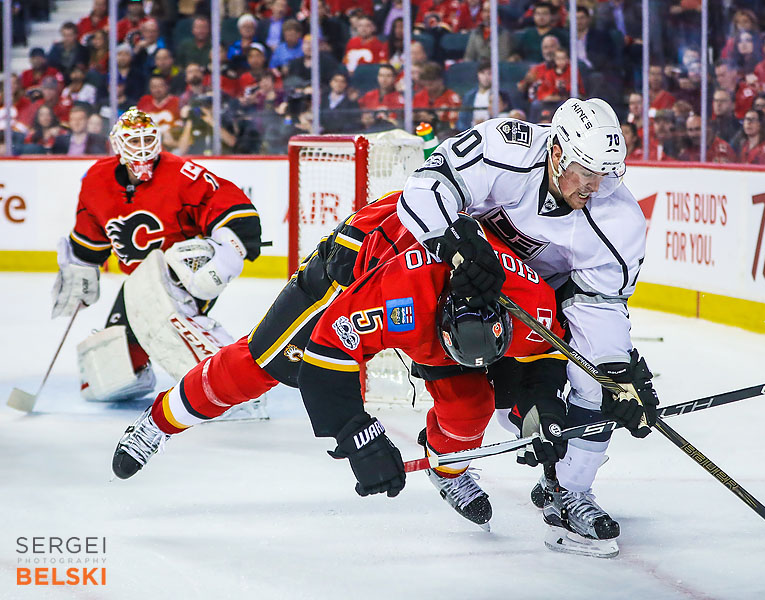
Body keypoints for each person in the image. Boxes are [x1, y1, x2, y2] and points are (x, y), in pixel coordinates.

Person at [110, 192, 569, 528]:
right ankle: (158, 422)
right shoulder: (398, 298)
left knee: (470, 403)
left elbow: (545, 356)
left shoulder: (529, 301)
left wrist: (540, 408)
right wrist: (357, 436)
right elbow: (329, 352)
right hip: (353, 271)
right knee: (257, 368)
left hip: (440, 293)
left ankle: (448, 473)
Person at [395, 98, 660, 557]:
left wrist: (615, 370)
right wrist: (456, 246)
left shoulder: (619, 221)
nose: (595, 186)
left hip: (540, 306)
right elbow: (424, 189)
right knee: (472, 400)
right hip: (467, 283)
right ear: (556, 152)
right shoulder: (506, 147)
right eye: (585, 172)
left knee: (596, 382)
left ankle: (570, 491)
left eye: (604, 174)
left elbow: (600, 307)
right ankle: (452, 463)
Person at [52, 108, 261, 404]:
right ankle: (200, 378)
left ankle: (232, 387)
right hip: (138, 282)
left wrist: (230, 250)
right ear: (117, 144)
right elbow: (90, 238)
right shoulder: (96, 179)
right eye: (133, 141)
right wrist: (80, 269)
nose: (142, 148)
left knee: (166, 327)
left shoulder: (181, 173)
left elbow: (229, 206)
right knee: (113, 369)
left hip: (183, 272)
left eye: (147, 139)